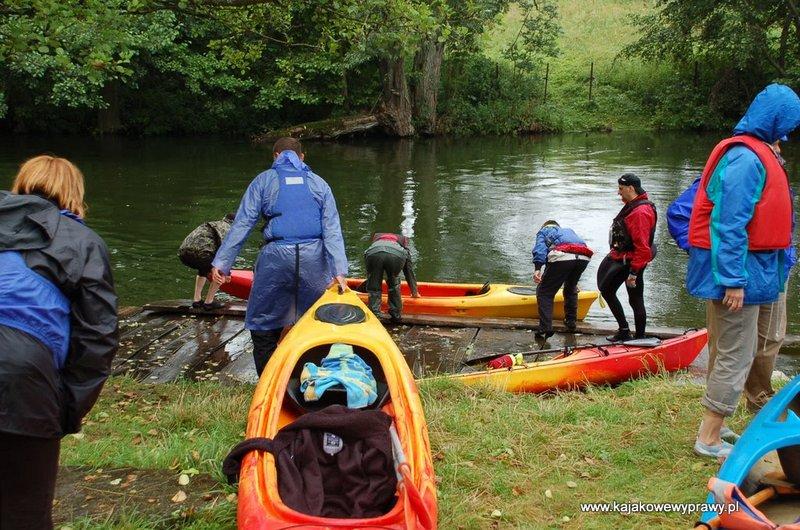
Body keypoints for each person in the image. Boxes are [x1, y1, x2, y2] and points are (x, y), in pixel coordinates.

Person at [0, 155, 118, 528]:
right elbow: (97, 338)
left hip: (21, 371)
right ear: (74, 196)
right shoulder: (82, 241)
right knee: (24, 513)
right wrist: (66, 410)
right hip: (22, 376)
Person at [687, 84, 800, 458]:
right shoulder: (745, 159)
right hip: (739, 272)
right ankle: (708, 438)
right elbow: (729, 223)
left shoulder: (763, 153)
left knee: (746, 349)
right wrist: (733, 280)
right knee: (736, 353)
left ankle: (721, 425)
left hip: (759, 267)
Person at [667, 140, 796, 415]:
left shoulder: (775, 174)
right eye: (775, 143)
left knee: (770, 338)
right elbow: (680, 215)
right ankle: (719, 411)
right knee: (729, 344)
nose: (779, 149)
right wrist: (709, 255)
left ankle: (758, 399)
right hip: (735, 274)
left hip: (775, 271)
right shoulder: (739, 166)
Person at [211, 137, 348, 376]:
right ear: (302, 157)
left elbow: (243, 224)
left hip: (276, 257)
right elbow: (332, 230)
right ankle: (311, 381)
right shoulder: (319, 184)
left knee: (264, 323)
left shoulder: (263, 181)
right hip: (314, 259)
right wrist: (339, 271)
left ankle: (268, 381)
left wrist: (222, 263)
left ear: (275, 156)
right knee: (316, 320)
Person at [596, 174, 657, 342]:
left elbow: (642, 247)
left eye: (621, 189)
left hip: (631, 261)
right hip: (625, 258)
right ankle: (631, 333)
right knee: (621, 294)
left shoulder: (640, 212)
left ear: (631, 188)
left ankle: (637, 336)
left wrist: (634, 273)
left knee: (631, 296)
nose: (618, 192)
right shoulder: (633, 205)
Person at [531, 220, 593, 338]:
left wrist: (538, 268)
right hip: (584, 257)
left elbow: (540, 249)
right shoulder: (569, 231)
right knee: (570, 287)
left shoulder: (544, 231)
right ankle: (571, 321)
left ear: (545, 226)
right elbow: (575, 251)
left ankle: (545, 327)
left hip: (562, 255)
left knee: (545, 292)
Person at [178, 212, 235, 310]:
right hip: (201, 253)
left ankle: (197, 300)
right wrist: (227, 272)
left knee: (203, 268)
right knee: (221, 271)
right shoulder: (228, 228)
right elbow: (225, 252)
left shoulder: (214, 224)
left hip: (183, 253)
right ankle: (209, 302)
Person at [363, 232, 420, 321]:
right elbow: (408, 272)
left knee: (374, 285)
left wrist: (371, 280)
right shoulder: (402, 244)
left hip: (373, 253)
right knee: (393, 284)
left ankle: (375, 315)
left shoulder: (376, 240)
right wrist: (414, 292)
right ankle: (395, 314)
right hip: (396, 255)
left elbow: (369, 273)